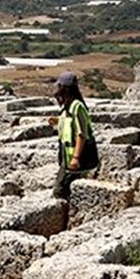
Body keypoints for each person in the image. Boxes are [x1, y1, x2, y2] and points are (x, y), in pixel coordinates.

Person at [49, 70, 99, 198]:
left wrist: (76, 157)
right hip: (66, 157)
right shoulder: (68, 106)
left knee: (59, 191)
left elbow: (81, 133)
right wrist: (57, 120)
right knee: (65, 190)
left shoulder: (77, 107)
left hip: (77, 158)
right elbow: (70, 123)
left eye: (59, 86)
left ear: (64, 88)